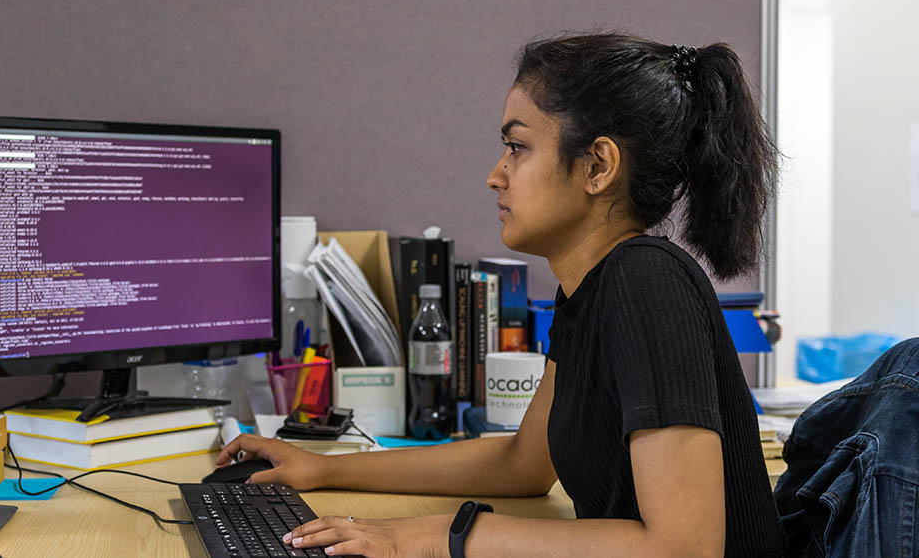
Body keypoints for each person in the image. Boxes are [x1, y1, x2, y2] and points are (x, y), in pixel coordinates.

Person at [219, 33, 785, 558]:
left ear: (597, 165)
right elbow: (523, 464)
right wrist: (323, 469)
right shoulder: (590, 291)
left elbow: (683, 548)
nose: (497, 174)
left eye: (517, 147)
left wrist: (442, 534)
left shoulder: (647, 283)